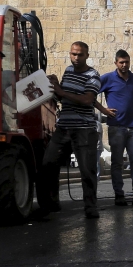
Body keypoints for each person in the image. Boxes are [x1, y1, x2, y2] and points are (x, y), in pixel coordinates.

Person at [39, 41, 104, 218]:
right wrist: (53, 86)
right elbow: (63, 97)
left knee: (87, 170)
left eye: (80, 55)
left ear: (87, 56)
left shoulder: (93, 75)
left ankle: (91, 207)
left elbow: (87, 100)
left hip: (84, 129)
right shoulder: (68, 71)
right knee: (48, 164)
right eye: (73, 54)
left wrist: (61, 91)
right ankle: (49, 204)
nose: (76, 57)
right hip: (64, 127)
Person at [99, 49, 133, 207]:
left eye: (126, 62)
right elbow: (91, 94)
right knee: (117, 162)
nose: (124, 65)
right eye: (121, 62)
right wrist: (104, 110)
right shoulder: (107, 78)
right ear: (116, 63)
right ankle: (119, 195)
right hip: (116, 127)